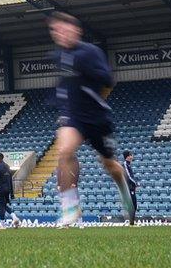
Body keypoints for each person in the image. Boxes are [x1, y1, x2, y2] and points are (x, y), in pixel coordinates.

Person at [48, 12, 134, 227]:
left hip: (97, 117)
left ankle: (125, 190)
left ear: (77, 31)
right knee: (64, 150)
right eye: (56, 31)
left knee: (109, 164)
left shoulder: (91, 52)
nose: (60, 34)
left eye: (65, 29)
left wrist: (86, 76)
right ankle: (70, 207)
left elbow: (108, 80)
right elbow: (65, 83)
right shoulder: (59, 55)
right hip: (74, 117)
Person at [0, 153, 20, 228]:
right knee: (4, 205)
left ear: (0, 158)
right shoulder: (8, 167)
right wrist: (12, 193)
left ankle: (2, 224)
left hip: (1, 189)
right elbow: (10, 180)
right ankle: (14, 217)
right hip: (8, 189)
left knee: (1, 206)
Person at [122, 151, 138, 225]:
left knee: (134, 205)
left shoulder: (128, 164)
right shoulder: (125, 164)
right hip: (128, 187)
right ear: (127, 156)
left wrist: (134, 185)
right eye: (131, 155)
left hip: (131, 187)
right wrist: (136, 183)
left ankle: (132, 222)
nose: (132, 156)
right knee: (132, 205)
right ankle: (131, 223)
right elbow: (128, 176)